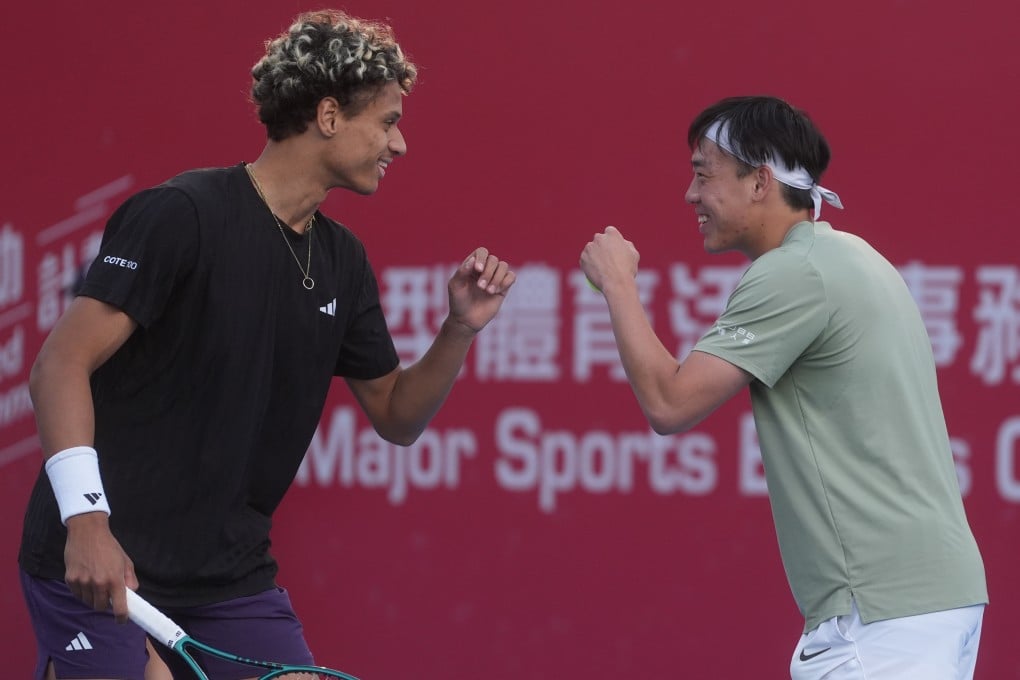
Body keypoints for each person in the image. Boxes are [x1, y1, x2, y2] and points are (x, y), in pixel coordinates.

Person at [19, 9, 515, 679]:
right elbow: (59, 366)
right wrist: (86, 524)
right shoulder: (182, 215)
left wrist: (459, 328)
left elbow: (397, 416)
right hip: (101, 558)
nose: (399, 145)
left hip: (227, 578)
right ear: (330, 115)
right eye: (388, 121)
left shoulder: (343, 261)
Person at [580, 95, 987, 679]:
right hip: (928, 600)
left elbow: (669, 403)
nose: (690, 195)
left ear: (759, 182)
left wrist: (619, 284)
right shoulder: (852, 256)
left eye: (704, 174)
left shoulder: (795, 272)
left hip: (881, 615)